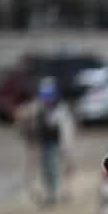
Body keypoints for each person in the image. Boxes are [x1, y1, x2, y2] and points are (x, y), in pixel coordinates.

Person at [20, 77, 76, 207]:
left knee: (59, 168)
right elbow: (27, 122)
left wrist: (66, 150)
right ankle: (50, 192)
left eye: (49, 96)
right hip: (44, 144)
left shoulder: (61, 110)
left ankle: (59, 193)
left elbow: (66, 132)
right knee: (46, 169)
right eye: (45, 96)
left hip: (58, 144)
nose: (47, 99)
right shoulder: (37, 108)